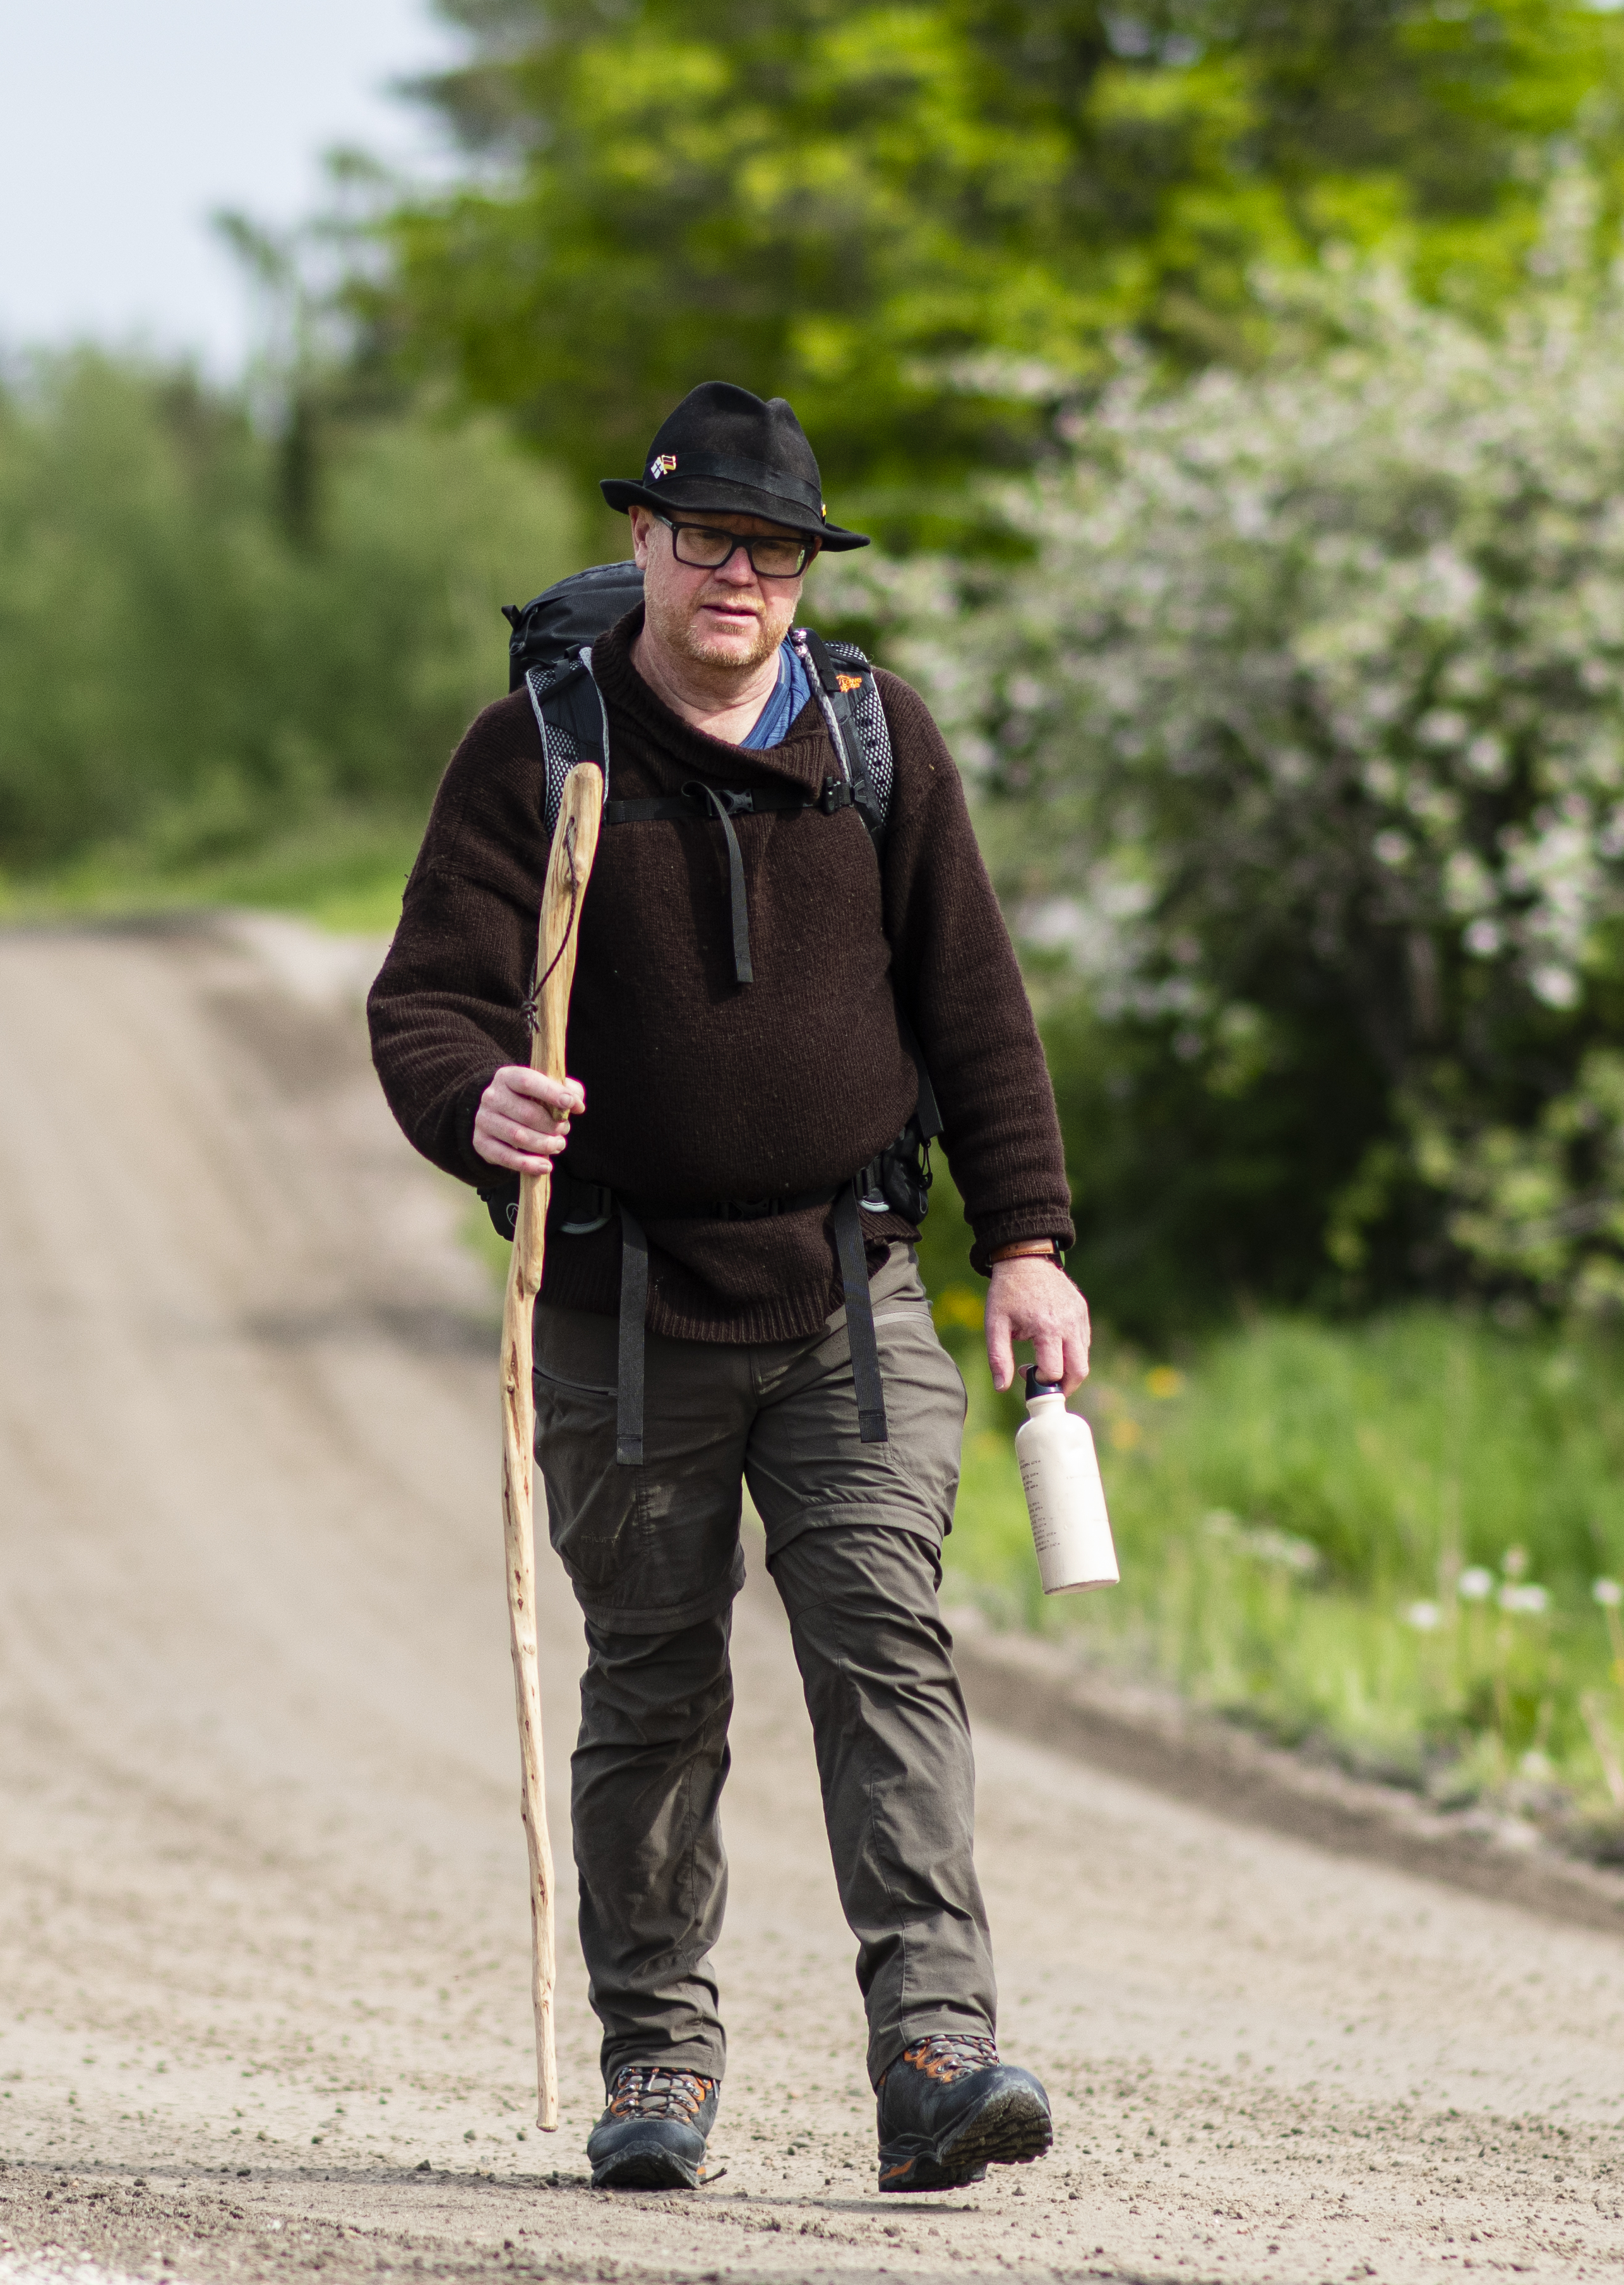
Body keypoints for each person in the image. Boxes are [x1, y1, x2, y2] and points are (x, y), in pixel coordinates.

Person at [368, 382, 1090, 2194]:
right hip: (619, 1316)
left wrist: (1027, 1243)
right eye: (708, 542)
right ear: (646, 545)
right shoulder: (537, 749)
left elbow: (974, 1005)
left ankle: (938, 2048)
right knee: (655, 1691)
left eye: (774, 551)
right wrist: (481, 1100)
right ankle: (659, 2069)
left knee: (885, 1650)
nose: (739, 578)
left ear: (801, 572)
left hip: (851, 1297)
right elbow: (425, 1003)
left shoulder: (874, 739)